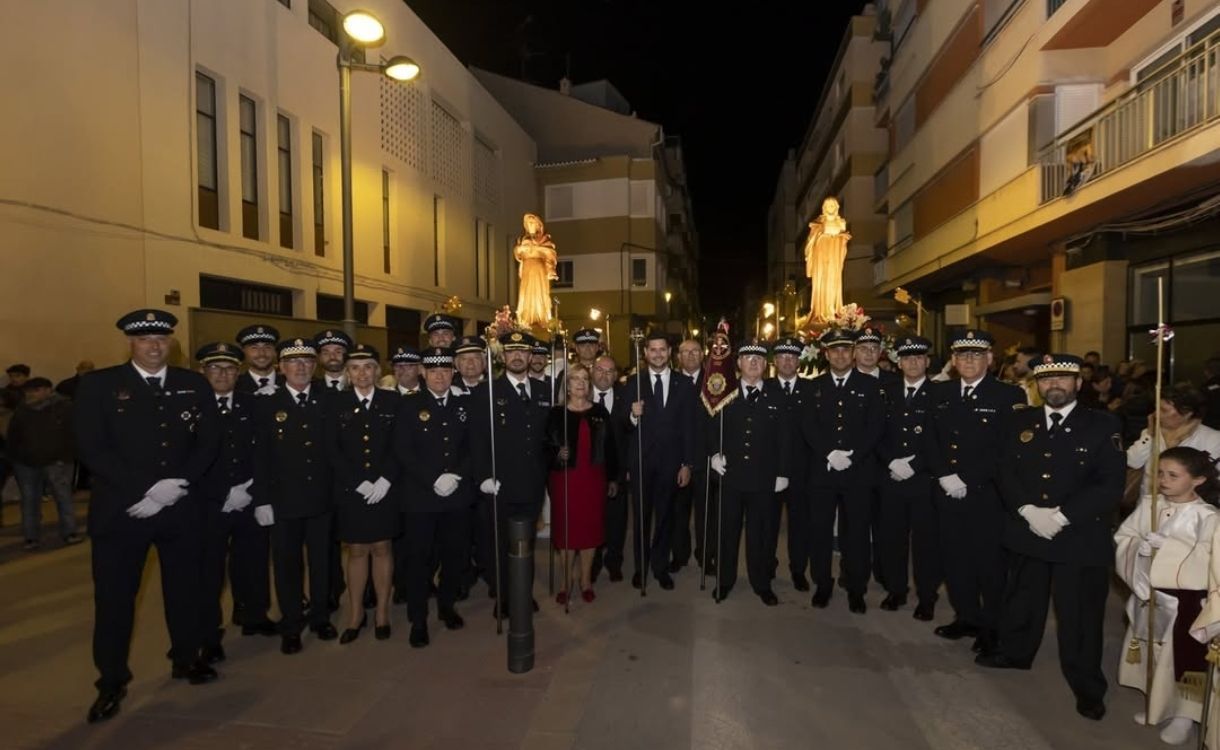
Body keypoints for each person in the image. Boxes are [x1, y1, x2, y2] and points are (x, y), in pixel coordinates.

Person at [74, 309, 219, 724]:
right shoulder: (100, 386)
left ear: (170, 343)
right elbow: (91, 447)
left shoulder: (192, 385)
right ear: (130, 343)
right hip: (123, 511)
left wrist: (176, 485)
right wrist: (147, 489)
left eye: (161, 339)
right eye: (144, 339)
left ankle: (186, 657)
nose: (154, 346)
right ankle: (111, 681)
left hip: (180, 507)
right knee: (115, 599)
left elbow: (208, 441)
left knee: (186, 590)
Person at [978, 354, 1126, 722]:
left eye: (1063, 378)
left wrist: (1061, 516)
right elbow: (1003, 469)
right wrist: (1027, 511)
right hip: (1029, 528)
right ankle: (1015, 653)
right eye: (1046, 380)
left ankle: (1087, 686)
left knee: (1079, 615)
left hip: (1077, 535)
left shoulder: (1103, 424)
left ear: (1078, 382)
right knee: (1023, 599)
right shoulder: (1019, 422)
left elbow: (1109, 484)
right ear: (1036, 385)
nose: (1054, 385)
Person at [926, 330, 1025, 653]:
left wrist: (966, 478)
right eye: (963, 356)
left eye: (976, 355)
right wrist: (944, 475)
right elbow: (930, 440)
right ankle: (965, 616)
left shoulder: (1008, 396)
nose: (969, 361)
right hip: (946, 492)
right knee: (955, 560)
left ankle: (991, 625)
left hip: (987, 495)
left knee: (989, 565)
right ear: (953, 361)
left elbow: (1006, 451)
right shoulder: (940, 393)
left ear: (990, 360)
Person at [1117, 446, 1220, 744]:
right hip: (1148, 592)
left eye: (1173, 475)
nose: (1163, 480)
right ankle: (1158, 705)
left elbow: (1209, 559)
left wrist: (1168, 549)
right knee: (1154, 654)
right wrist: (1139, 549)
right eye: (1160, 473)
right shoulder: (1150, 504)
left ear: (1198, 480)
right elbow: (1125, 537)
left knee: (1183, 660)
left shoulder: (1207, 516)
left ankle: (1184, 715)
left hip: (1186, 601)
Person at [252, 337, 337, 655]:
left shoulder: (328, 400)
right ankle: (291, 624)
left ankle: (320, 617)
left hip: (320, 498)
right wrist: (261, 498)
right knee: (286, 565)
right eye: (293, 362)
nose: (300, 368)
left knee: (321, 562)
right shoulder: (266, 404)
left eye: (306, 362)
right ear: (281, 367)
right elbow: (259, 456)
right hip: (283, 500)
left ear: (314, 367)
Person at [194, 342, 275, 668]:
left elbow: (265, 451)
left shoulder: (251, 405)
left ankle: (254, 614)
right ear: (204, 372)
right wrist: (221, 494)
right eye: (215, 368)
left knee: (253, 561)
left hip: (247, 496)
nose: (223, 374)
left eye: (229, 369)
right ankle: (208, 633)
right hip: (209, 503)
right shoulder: (194, 407)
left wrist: (252, 489)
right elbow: (186, 457)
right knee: (209, 571)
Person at [395, 347, 474, 646]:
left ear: (453, 372)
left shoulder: (465, 404)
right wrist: (433, 479)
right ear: (423, 373)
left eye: (445, 371)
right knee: (418, 561)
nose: (440, 376)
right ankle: (418, 620)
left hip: (456, 494)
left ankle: (446, 606)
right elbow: (403, 450)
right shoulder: (408, 405)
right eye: (433, 371)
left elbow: (473, 446)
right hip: (420, 498)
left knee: (455, 555)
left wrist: (456, 476)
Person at [471, 331, 552, 616]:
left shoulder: (545, 392)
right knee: (502, 544)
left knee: (526, 544)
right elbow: (477, 438)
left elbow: (548, 438)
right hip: (500, 484)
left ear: (531, 356)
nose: (517, 357)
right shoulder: (487, 392)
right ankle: (504, 597)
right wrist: (483, 475)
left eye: (523, 352)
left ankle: (523, 594)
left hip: (531, 483)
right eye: (511, 352)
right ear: (502, 357)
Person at [803, 328, 884, 613]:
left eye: (845, 350)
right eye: (834, 350)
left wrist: (852, 456)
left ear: (852, 353)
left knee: (857, 533)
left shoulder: (871, 386)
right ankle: (822, 584)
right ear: (825, 354)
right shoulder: (813, 386)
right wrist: (829, 453)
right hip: (823, 472)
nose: (840, 355)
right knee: (820, 531)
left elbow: (875, 428)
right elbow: (808, 426)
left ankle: (856, 588)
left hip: (857, 472)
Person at [326, 344, 400, 644]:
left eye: (368, 366)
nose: (362, 373)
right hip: (352, 490)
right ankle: (356, 614)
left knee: (383, 548)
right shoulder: (334, 403)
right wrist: (357, 482)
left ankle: (382, 611)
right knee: (356, 551)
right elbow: (331, 449)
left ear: (377, 371)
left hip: (385, 489)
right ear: (347, 372)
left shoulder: (393, 401)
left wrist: (385, 480)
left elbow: (401, 445)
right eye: (355, 367)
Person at [708, 340, 789, 605]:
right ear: (738, 363)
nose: (753, 363)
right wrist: (713, 454)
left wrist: (782, 472)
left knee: (761, 535)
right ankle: (724, 580)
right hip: (731, 477)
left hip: (764, 479)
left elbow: (784, 438)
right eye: (748, 359)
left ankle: (761, 582)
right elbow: (709, 428)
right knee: (727, 534)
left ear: (766, 365)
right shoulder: (724, 394)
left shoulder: (777, 396)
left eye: (759, 359)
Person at [622, 332, 695, 591]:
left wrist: (687, 463)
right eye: (652, 350)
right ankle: (641, 569)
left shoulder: (683, 385)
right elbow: (622, 425)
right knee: (641, 518)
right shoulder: (633, 383)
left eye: (662, 349)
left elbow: (689, 427)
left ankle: (660, 567)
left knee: (665, 518)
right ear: (645, 354)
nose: (657, 354)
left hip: (671, 464)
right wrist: (632, 415)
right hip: (641, 462)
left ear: (669, 352)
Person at [876, 336, 942, 620]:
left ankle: (927, 596)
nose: (913, 363)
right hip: (891, 478)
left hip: (923, 480)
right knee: (892, 539)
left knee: (926, 543)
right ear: (898, 362)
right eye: (907, 358)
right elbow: (874, 432)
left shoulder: (941, 394)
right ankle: (896, 589)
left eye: (918, 358)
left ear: (927, 362)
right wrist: (891, 460)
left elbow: (942, 440)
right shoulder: (886, 392)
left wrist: (915, 465)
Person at [546, 364, 618, 604]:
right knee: (566, 532)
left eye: (584, 379)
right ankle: (566, 582)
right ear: (566, 385)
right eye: (574, 379)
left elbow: (611, 448)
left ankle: (585, 580)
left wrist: (613, 478)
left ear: (589, 385)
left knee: (589, 531)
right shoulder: (556, 414)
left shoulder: (599, 412)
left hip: (593, 480)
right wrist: (557, 454)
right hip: (565, 480)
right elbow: (543, 449)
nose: (580, 383)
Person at [6, 376, 80, 549]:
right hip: (26, 463)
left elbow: (75, 434)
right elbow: (13, 436)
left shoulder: (65, 408)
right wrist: (14, 458)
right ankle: (31, 537)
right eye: (28, 391)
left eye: (35, 390)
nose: (30, 394)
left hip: (57, 461)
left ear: (48, 390)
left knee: (63, 497)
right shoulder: (22, 410)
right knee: (29, 500)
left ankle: (69, 532)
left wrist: (67, 456)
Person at [764, 336, 813, 591]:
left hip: (801, 470)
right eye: (782, 357)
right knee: (768, 522)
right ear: (774, 361)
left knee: (800, 524)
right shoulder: (764, 387)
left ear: (799, 362)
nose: (787, 361)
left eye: (792, 357)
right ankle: (767, 566)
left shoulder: (810, 390)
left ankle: (798, 570)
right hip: (770, 470)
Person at [1127, 384, 1220, 495]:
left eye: (1163, 410)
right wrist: (1149, 435)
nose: (1156, 414)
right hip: (1150, 504)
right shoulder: (1152, 433)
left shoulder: (1213, 439)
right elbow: (1132, 462)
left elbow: (1215, 481)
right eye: (1156, 408)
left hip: (1190, 507)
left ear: (1187, 413)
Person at [589, 355, 630, 583]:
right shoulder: (580, 397)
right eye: (600, 370)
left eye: (610, 371)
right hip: (590, 471)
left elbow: (631, 437)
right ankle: (592, 564)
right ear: (592, 371)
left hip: (618, 470)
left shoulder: (625, 397)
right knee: (593, 519)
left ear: (616, 375)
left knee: (617, 521)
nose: (604, 375)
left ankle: (614, 562)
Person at [671, 337, 706, 573]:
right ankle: (679, 555)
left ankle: (706, 556)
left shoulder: (716, 380)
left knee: (706, 514)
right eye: (685, 352)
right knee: (678, 513)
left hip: (706, 458)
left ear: (703, 355)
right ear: (678, 357)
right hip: (678, 459)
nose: (691, 356)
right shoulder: (671, 382)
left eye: (695, 351)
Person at [803, 197, 851, 322]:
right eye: (828, 205)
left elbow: (844, 239)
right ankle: (821, 311)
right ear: (824, 208)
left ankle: (834, 310)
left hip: (834, 256)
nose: (830, 208)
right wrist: (822, 236)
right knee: (822, 283)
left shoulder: (841, 223)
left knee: (834, 283)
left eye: (832, 205)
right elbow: (810, 241)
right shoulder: (818, 223)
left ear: (836, 207)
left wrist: (840, 238)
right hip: (821, 257)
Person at [513, 213, 558, 328]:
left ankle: (541, 319)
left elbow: (550, 253)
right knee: (526, 294)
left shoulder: (544, 240)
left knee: (539, 294)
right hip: (527, 270)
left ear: (538, 225)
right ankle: (526, 320)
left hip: (539, 271)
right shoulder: (522, 240)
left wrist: (535, 249)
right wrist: (525, 249)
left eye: (532, 222)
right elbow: (518, 253)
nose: (530, 225)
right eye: (528, 223)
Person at [234, 325, 280, 394]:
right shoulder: (234, 386)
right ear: (243, 352)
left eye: (267, 347)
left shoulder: (290, 383)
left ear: (275, 351)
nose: (262, 353)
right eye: (254, 348)